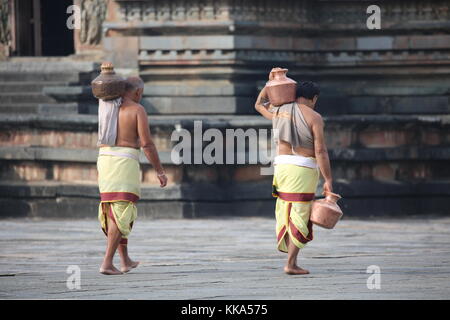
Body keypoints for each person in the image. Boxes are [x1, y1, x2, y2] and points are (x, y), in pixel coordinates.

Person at [255, 75, 333, 275]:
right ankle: (291, 263)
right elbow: (321, 151)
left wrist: (269, 84)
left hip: (281, 168)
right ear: (314, 98)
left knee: (285, 210)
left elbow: (259, 104)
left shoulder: (279, 111)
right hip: (303, 169)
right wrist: (328, 180)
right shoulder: (314, 117)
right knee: (300, 214)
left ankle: (292, 259)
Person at [97, 76, 168, 275]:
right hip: (124, 163)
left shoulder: (106, 107)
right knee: (122, 211)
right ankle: (107, 263)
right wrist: (160, 171)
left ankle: (125, 260)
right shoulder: (137, 110)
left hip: (104, 160)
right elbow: (147, 144)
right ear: (137, 92)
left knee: (115, 209)